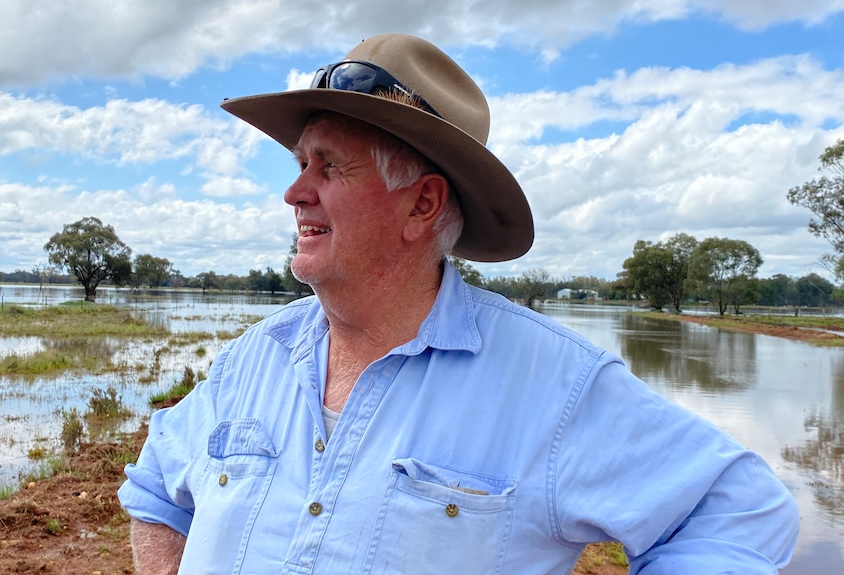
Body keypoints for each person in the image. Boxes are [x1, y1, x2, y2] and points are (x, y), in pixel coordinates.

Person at [118, 34, 799, 574]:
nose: (295, 194)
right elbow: (153, 486)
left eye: (329, 167)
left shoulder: (551, 387)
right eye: (301, 165)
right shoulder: (250, 361)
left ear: (423, 204)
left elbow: (736, 508)